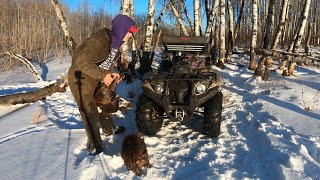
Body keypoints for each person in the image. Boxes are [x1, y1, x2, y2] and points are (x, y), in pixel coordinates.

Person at [68, 14, 137, 155]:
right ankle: (95, 144)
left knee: (105, 103)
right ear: (122, 29)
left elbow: (105, 63)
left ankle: (110, 129)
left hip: (95, 76)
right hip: (79, 76)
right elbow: (80, 61)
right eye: (130, 31)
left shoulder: (116, 44)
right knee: (89, 110)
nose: (131, 35)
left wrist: (111, 74)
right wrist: (103, 75)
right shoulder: (100, 40)